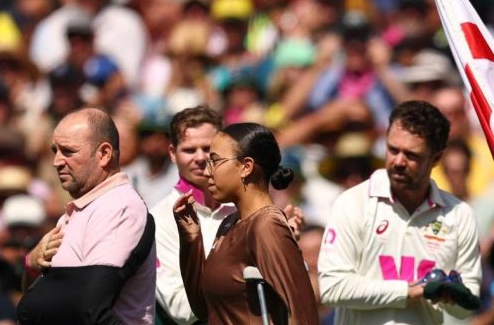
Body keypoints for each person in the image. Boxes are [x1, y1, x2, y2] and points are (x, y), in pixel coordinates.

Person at [318, 101, 482, 324]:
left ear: (436, 159)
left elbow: (466, 309)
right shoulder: (353, 203)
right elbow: (333, 288)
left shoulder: (459, 214)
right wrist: (409, 292)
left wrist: (452, 295)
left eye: (412, 155)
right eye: (392, 149)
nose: (398, 161)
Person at [153, 106, 303, 324]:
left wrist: (285, 243)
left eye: (209, 150)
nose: (200, 158)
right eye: (189, 150)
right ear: (172, 153)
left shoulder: (249, 209)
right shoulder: (160, 217)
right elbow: (181, 309)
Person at [17, 108, 155, 324]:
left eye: (68, 151)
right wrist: (31, 264)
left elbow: (89, 307)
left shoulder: (119, 206)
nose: (57, 161)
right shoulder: (78, 212)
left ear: (104, 154)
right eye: (55, 150)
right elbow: (37, 298)